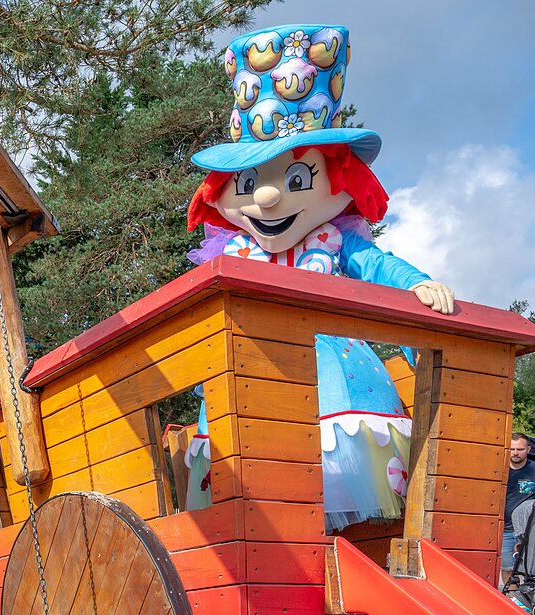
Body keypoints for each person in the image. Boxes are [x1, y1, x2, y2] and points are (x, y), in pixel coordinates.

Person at [185, 24, 454, 533]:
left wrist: (418, 285)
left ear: (338, 180)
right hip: (248, 374)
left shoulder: (336, 242)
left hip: (335, 379)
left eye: (296, 179)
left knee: (333, 484)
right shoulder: (232, 256)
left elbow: (380, 267)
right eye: (247, 182)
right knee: (254, 485)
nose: (266, 199)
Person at [503, 432, 535, 580]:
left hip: (530, 531)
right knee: (508, 570)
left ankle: (528, 601)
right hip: (506, 529)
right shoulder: (498, 471)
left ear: (528, 449)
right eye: (512, 449)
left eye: (520, 449)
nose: (515, 453)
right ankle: (512, 602)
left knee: (530, 571)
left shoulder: (534, 469)